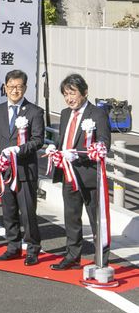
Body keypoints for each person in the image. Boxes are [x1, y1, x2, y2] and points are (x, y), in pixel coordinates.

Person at [0, 70, 44, 266]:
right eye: (11, 86)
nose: (15, 90)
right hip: (4, 170)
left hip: (25, 170)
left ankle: (32, 249)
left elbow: (38, 140)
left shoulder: (35, 111)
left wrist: (19, 149)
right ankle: (13, 246)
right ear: (5, 87)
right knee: (8, 210)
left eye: (19, 86)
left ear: (25, 88)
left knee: (28, 212)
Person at [47, 73, 111, 270]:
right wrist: (54, 149)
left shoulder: (97, 114)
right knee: (71, 217)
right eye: (65, 94)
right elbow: (65, 139)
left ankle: (101, 258)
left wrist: (80, 155)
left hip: (89, 175)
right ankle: (72, 256)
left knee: (96, 220)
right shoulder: (66, 113)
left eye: (72, 93)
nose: (69, 98)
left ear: (84, 92)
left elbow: (104, 144)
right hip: (68, 174)